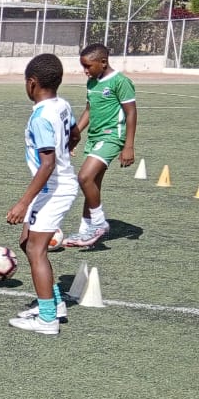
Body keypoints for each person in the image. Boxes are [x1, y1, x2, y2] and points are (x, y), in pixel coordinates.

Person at [6, 53, 79, 336]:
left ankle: (48, 320)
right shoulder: (62, 105)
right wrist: (66, 149)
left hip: (53, 188)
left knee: (36, 250)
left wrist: (23, 203)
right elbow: (74, 134)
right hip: (56, 185)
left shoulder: (40, 117)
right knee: (27, 242)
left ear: (32, 83)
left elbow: (47, 164)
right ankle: (55, 303)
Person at [64, 43, 137, 247]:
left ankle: (98, 224)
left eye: (88, 66)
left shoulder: (120, 82)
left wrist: (129, 145)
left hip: (112, 136)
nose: (85, 71)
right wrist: (75, 135)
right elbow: (89, 110)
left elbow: (131, 112)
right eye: (83, 66)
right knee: (93, 183)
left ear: (103, 62)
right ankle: (84, 232)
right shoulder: (92, 82)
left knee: (84, 177)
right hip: (95, 138)